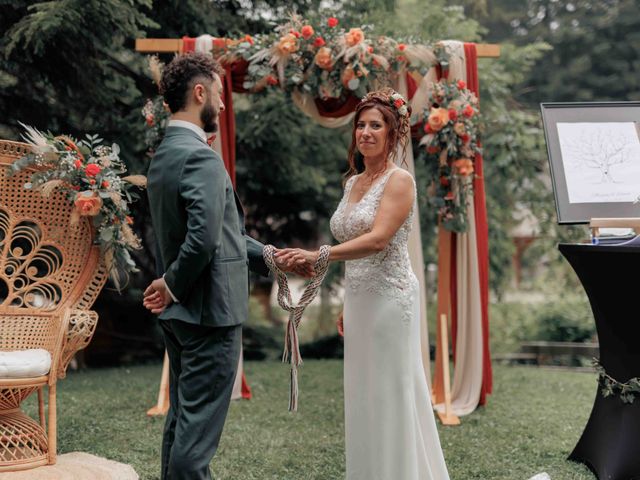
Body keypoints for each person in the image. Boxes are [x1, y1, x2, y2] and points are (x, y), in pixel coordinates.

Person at [142, 52, 307, 480]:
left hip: (182, 316)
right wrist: (172, 284)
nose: (223, 103)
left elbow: (217, 237)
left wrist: (269, 256)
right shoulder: (200, 158)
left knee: (182, 423)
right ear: (200, 93)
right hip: (208, 314)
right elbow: (201, 240)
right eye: (218, 93)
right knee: (194, 446)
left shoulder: (165, 154)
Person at [277, 88, 450, 480]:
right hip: (360, 300)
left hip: (391, 300)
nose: (366, 132)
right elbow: (354, 247)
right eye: (361, 125)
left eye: (376, 125)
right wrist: (347, 302)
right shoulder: (352, 182)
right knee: (363, 395)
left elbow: (377, 240)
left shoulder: (399, 180)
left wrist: (317, 256)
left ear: (392, 134)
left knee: (391, 392)